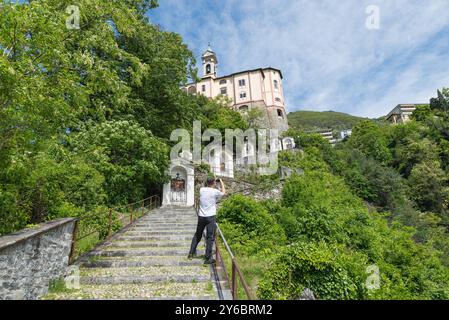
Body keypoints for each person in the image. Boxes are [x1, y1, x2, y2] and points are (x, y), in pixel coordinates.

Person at [188, 177, 226, 264]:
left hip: (201, 216)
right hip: (210, 217)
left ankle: (191, 253)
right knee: (210, 237)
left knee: (198, 235)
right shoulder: (215, 191)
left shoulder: (202, 190)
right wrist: (221, 182)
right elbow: (223, 192)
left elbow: (207, 190)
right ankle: (208, 258)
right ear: (213, 183)